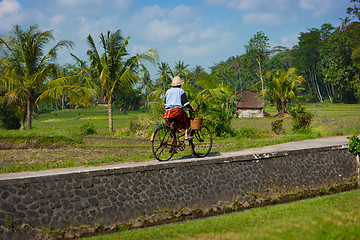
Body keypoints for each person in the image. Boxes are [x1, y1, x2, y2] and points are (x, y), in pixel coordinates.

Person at [164, 76, 195, 140]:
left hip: (168, 112)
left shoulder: (168, 91)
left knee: (172, 126)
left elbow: (165, 102)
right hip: (177, 111)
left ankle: (173, 140)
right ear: (180, 84)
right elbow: (186, 104)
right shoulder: (181, 91)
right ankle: (186, 135)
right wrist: (191, 108)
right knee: (186, 120)